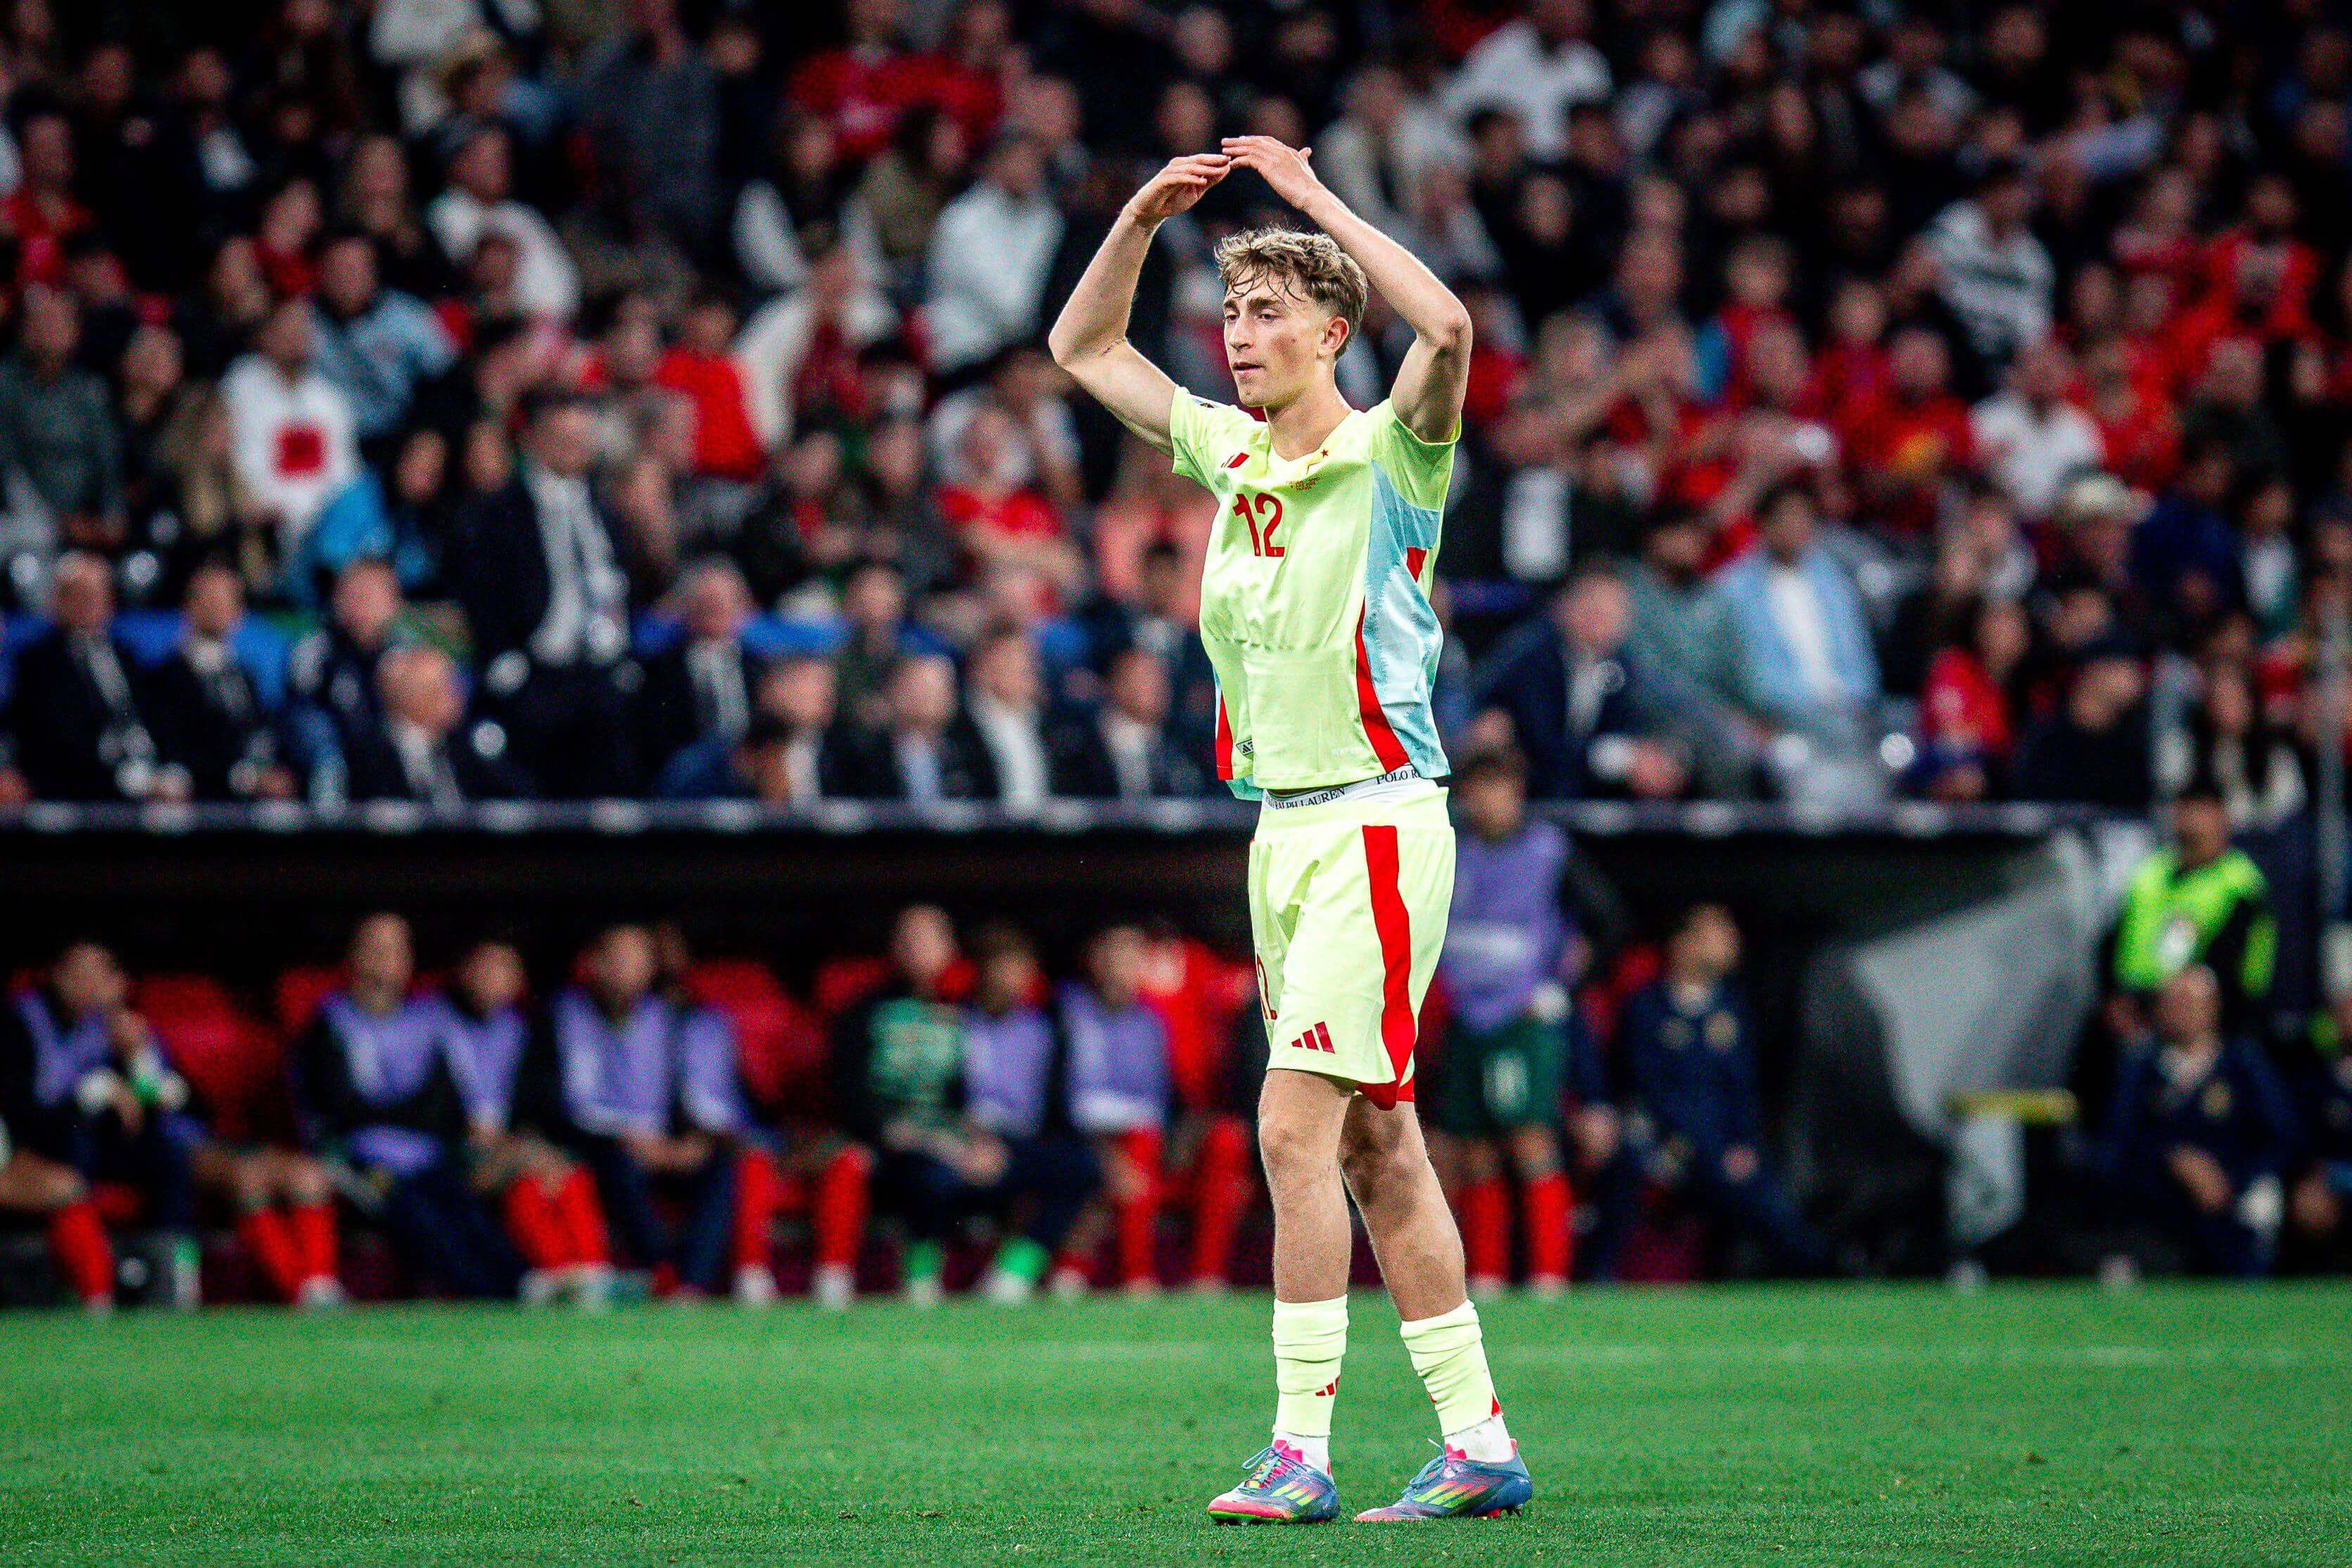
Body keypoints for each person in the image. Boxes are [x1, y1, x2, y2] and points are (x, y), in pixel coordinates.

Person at [1050, 137, 1529, 1523]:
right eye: (1231, 313)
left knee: (1290, 1130)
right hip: (1287, 834)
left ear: (1333, 331)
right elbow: (1084, 346)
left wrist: (1310, 199)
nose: (1238, 335)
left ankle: (1299, 1450)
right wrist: (1140, 214)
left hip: (1380, 823)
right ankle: (1479, 1442)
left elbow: (1447, 324)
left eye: (1267, 312)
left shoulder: (1396, 455)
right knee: (1381, 1148)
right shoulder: (1233, 454)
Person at [832, 904, 1093, 1305]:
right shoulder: (863, 1013)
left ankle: (1014, 1275)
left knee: (1079, 1166)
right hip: (904, 1146)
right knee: (931, 1177)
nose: (918, 950)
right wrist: (943, 1141)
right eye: (909, 939)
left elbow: (963, 1097)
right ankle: (919, 1279)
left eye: (928, 940)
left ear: (949, 949)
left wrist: (973, 1140)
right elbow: (854, 1102)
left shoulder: (958, 1015)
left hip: (970, 1142)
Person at [1427, 747, 1593, 1298]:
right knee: (1473, 1147)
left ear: (1518, 793)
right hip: (1465, 1015)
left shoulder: (1550, 853)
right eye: (1479, 788)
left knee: (1529, 1138)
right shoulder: (1449, 850)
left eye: (1500, 787)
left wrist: (1557, 984)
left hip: (1520, 1018)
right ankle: (1489, 1274)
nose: (1489, 800)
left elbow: (1605, 919)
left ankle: (1549, 1273)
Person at [295, 914, 522, 1299]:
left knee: (463, 1204)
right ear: (354, 958)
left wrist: (401, 1114)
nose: (386, 964)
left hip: (427, 1157)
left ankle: (521, 1285)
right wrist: (408, 1113)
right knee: (415, 1211)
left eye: (397, 952)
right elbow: (343, 1110)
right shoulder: (329, 1024)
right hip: (358, 1159)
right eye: (375, 952)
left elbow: (444, 1105)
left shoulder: (426, 1023)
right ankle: (482, 1294)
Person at [540, 924, 748, 1298]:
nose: (628, 969)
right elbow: (560, 1106)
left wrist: (690, 1141)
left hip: (660, 1144)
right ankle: (660, 1275)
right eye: (618, 958)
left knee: (720, 1164)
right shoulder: (562, 1016)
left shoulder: (671, 1019)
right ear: (594, 963)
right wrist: (626, 1138)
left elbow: (683, 1095)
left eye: (638, 959)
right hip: (598, 1147)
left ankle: (692, 1287)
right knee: (618, 1167)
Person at [1621, 905, 1831, 1275]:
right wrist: (1692, 1143)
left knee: (1766, 1202)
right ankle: (1599, 1275)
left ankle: (1824, 1273)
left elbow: (1743, 1090)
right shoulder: (1647, 1008)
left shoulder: (1732, 1008)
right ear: (1682, 943)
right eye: (1716, 933)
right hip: (1667, 1145)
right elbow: (1647, 1089)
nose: (1729, 943)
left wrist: (1743, 1144)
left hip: (1723, 1150)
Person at [453, 388, 638, 798]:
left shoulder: (605, 510)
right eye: (564, 440)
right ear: (535, 440)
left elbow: (624, 584)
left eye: (582, 441)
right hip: (533, 677)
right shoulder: (498, 513)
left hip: (601, 674)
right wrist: (508, 669)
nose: (576, 451)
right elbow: (483, 595)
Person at [0, 941, 201, 1308]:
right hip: (40, 1144)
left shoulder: (119, 1024)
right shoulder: (21, 1021)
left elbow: (179, 1100)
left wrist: (137, 1057)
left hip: (108, 1144)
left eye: (98, 974)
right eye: (77, 973)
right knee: (75, 1156)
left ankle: (174, 1283)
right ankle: (95, 1292)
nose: (87, 983)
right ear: (56, 975)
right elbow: (21, 1109)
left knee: (169, 1156)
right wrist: (96, 1091)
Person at [431, 937, 616, 1309]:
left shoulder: (526, 1032)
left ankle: (590, 1273)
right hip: (449, 1151)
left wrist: (526, 1143)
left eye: (503, 968)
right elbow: (424, 1104)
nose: (492, 977)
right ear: (464, 970)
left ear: (518, 980)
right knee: (519, 1171)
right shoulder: (432, 1025)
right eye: (484, 965)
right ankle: (550, 1273)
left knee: (562, 1170)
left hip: (514, 1145)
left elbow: (540, 1106)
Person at [2093, 966, 2294, 1279]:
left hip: (2232, 1198)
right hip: (2160, 1208)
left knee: (2260, 1207)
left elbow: (2281, 1137)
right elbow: (2116, 1142)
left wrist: (2228, 1178)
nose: (2177, 1011)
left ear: (2212, 1006)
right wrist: (2174, 1160)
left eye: (2187, 1002)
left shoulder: (2243, 1063)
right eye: (2170, 1002)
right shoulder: (2142, 1066)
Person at [1052, 923, 1175, 1297]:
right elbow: (1055, 1092)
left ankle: (1091, 1271)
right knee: (1112, 1168)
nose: (1122, 966)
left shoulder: (1152, 1022)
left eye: (1132, 958)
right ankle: (1128, 1276)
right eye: (1114, 955)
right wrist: (1105, 1155)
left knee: (1140, 1155)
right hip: (1076, 1132)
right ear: (1095, 960)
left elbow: (1158, 1100)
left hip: (1137, 1138)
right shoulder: (1065, 1009)